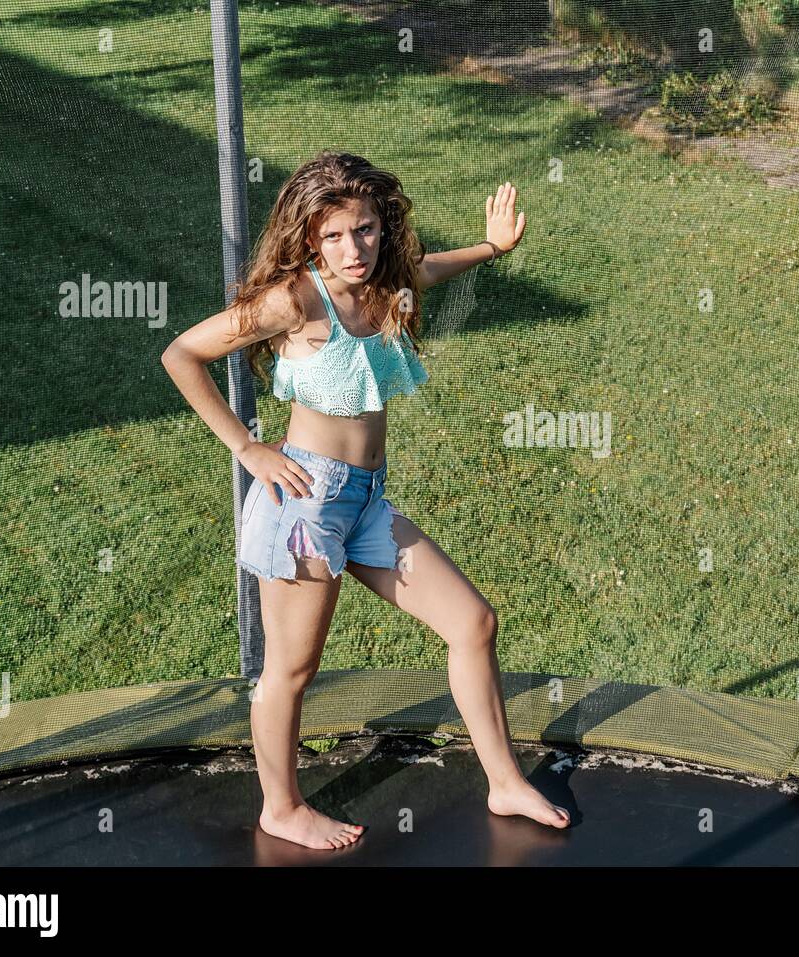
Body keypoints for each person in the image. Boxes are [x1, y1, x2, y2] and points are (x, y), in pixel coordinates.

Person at [161, 150, 570, 850]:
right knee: (292, 669)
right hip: (307, 505)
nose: (355, 249)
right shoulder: (295, 299)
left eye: (367, 230)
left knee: (473, 621)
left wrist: (493, 247)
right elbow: (181, 353)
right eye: (335, 237)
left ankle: (503, 780)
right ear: (310, 240)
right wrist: (249, 447)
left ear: (384, 225)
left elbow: (430, 268)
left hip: (367, 503)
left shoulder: (388, 283)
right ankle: (281, 807)